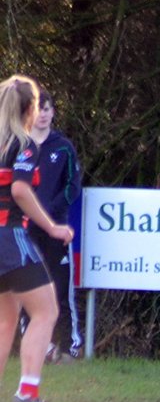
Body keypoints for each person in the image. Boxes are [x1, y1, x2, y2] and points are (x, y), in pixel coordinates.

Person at [1, 74, 75, 402]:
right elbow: (19, 190)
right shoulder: (24, 144)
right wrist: (52, 226)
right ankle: (27, 394)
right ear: (29, 108)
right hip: (9, 237)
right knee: (46, 312)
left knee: (6, 320)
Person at [24, 88, 82, 361]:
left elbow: (73, 186)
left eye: (47, 109)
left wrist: (49, 212)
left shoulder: (63, 147)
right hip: (25, 230)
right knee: (28, 288)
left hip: (56, 229)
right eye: (39, 109)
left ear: (53, 112)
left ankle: (69, 346)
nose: (43, 114)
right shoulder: (20, 146)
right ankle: (36, 346)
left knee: (59, 288)